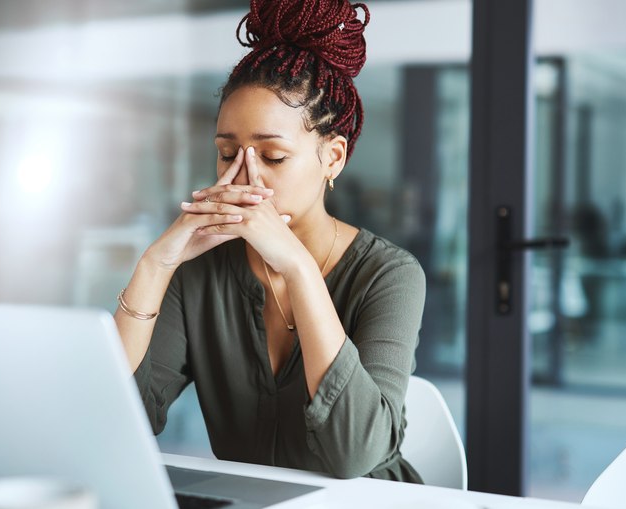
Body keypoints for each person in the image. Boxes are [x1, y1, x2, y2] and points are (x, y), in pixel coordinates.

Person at [113, 0, 426, 483]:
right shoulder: (200, 270)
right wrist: (156, 265)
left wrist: (298, 267)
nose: (244, 176)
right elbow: (119, 420)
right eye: (226, 153)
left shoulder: (390, 274)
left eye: (275, 157)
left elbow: (354, 457)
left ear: (334, 158)